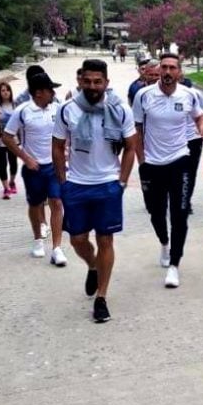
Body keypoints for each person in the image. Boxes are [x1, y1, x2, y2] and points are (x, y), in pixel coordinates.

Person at [53, 59, 137, 323]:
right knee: (77, 240)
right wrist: (63, 182)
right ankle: (92, 265)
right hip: (77, 184)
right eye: (87, 81)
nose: (92, 86)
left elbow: (131, 147)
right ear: (80, 81)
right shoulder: (67, 110)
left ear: (106, 83)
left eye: (97, 81)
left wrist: (121, 182)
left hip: (108, 184)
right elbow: (57, 147)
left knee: (105, 240)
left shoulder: (120, 110)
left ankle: (101, 297)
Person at [133, 53, 203, 288]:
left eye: (172, 68)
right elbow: (137, 129)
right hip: (152, 164)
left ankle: (175, 264)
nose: (167, 72)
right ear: (159, 70)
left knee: (180, 214)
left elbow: (200, 116)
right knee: (156, 212)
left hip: (180, 161)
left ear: (179, 72)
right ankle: (164, 243)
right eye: (164, 67)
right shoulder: (143, 96)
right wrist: (141, 161)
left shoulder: (189, 95)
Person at [3, 71, 67, 266]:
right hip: (34, 167)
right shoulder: (23, 111)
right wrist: (25, 157)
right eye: (50, 90)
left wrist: (67, 152)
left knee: (56, 202)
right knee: (35, 204)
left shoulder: (58, 109)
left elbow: (68, 132)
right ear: (39, 93)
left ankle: (57, 247)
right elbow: (7, 136)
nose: (53, 94)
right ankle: (38, 239)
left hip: (55, 166)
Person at [181, 75, 203, 215]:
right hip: (176, 140)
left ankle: (186, 200)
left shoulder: (195, 94)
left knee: (190, 171)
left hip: (193, 138)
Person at [0, 82, 18, 199]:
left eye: (7, 90)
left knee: (13, 162)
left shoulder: (15, 105)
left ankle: (12, 181)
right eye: (3, 90)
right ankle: (6, 188)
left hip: (13, 139)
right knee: (2, 163)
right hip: (0, 138)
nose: (5, 92)